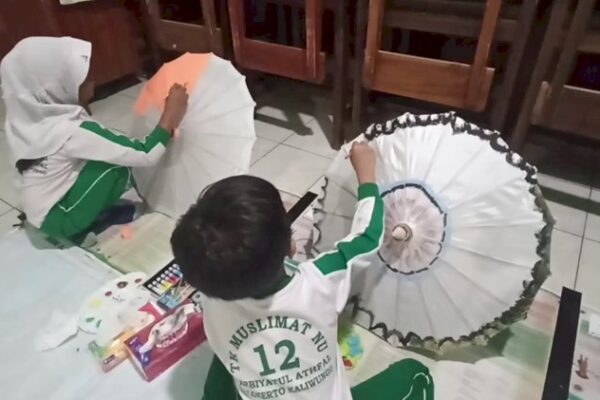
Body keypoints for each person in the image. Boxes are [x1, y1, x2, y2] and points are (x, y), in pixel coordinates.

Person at [171, 142, 434, 399]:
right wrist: (367, 177)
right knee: (415, 373)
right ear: (290, 245)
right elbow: (367, 237)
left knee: (222, 361)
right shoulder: (321, 281)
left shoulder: (211, 296)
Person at [0, 36, 188, 242]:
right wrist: (170, 115)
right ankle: (87, 222)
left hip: (39, 210)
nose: (93, 79)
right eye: (82, 76)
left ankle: (83, 210)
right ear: (57, 86)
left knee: (102, 156)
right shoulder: (72, 130)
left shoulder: (23, 122)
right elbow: (144, 153)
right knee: (115, 167)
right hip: (60, 218)